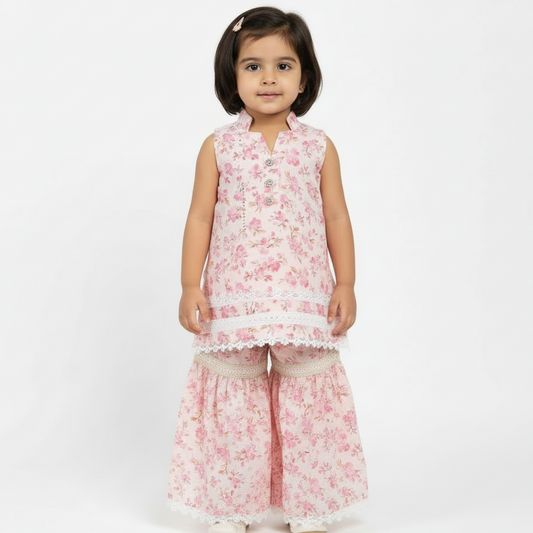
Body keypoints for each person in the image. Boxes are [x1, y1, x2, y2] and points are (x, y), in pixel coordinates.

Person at [167, 7, 368, 533]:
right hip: (233, 297)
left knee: (307, 394)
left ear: (304, 77)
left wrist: (346, 282)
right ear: (231, 75)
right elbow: (200, 216)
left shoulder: (319, 146)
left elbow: (336, 216)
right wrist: (190, 284)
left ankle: (309, 506)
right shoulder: (218, 146)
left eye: (284, 65)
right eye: (253, 66)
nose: (269, 78)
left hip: (304, 295)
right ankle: (235, 506)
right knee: (235, 395)